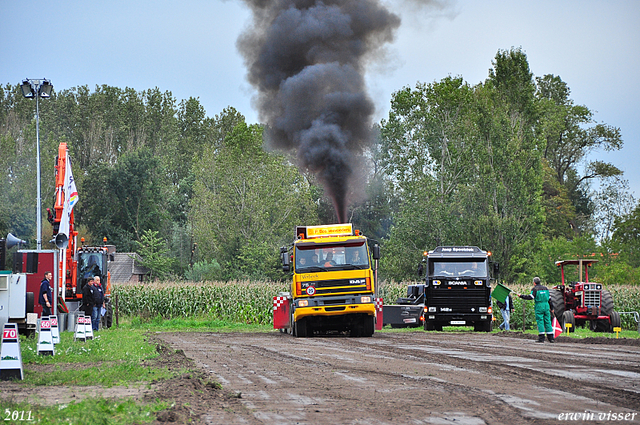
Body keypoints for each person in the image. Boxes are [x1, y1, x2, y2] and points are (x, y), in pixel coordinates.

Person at [517, 277, 555, 343]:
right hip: (546, 305)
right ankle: (551, 338)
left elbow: (530, 297)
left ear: (534, 283)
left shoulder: (535, 289)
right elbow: (549, 299)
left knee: (540, 321)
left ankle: (541, 338)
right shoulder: (546, 288)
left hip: (539, 306)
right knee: (548, 321)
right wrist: (552, 308)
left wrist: (521, 296)